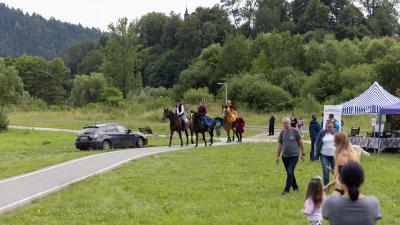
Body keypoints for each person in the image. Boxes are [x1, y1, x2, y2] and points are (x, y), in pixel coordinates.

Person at [276, 117, 306, 195]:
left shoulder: (295, 131)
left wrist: (303, 154)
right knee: (290, 173)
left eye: (287, 123)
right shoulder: (282, 133)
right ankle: (295, 187)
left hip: (294, 156)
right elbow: (280, 145)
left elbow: (301, 143)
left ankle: (286, 190)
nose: (285, 124)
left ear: (290, 123)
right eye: (284, 123)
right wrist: (277, 156)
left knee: (289, 172)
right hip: (285, 157)